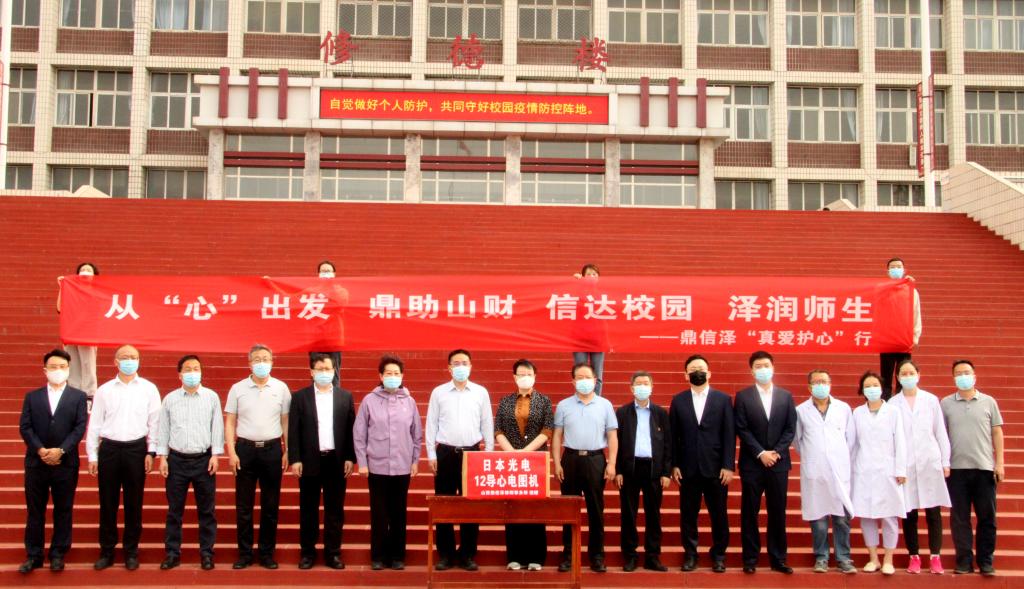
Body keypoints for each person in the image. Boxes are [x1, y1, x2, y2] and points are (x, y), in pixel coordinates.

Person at [86, 344, 161, 571]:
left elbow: (155, 423)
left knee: (133, 502)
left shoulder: (149, 389)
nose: (130, 360)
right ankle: (107, 551)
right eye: (125, 357)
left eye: (134, 356)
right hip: (109, 449)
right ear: (116, 362)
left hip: (136, 449)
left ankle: (131, 551)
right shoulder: (104, 390)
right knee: (107, 502)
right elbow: (95, 424)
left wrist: (151, 451)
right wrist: (92, 455)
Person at [18, 349, 88, 573]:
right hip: (36, 463)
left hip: (65, 464)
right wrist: (40, 450)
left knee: (63, 509)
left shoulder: (78, 397)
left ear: (68, 369)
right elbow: (25, 427)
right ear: (45, 370)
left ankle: (58, 553)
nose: (58, 370)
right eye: (53, 367)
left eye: (62, 367)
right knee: (35, 510)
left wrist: (61, 450)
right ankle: (34, 555)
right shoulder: (33, 397)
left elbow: (79, 427)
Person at [425, 349, 494, 571]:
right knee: (443, 504)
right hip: (445, 453)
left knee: (470, 506)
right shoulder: (439, 392)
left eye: (465, 362)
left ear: (471, 366)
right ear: (449, 367)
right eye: (456, 363)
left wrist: (488, 453)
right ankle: (445, 554)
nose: (461, 367)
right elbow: (431, 423)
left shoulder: (480, 392)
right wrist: (431, 453)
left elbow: (487, 423)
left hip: (472, 454)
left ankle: (467, 554)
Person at [224, 344, 291, 570]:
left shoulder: (281, 388)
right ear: (249, 363)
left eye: (265, 359)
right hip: (245, 450)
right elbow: (230, 421)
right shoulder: (238, 388)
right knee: (244, 506)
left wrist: (288, 450)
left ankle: (266, 553)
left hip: (272, 450)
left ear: (272, 362)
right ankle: (244, 554)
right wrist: (231, 452)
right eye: (257, 359)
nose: (262, 363)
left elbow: (285, 421)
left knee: (270, 505)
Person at [353, 354, 423, 571]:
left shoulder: (409, 402)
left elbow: (416, 434)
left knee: (399, 513)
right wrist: (362, 462)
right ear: (381, 376)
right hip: (377, 466)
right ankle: (378, 556)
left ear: (402, 376)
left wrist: (415, 460)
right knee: (379, 513)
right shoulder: (369, 401)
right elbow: (359, 434)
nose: (393, 376)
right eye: (388, 373)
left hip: (402, 466)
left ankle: (397, 556)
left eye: (396, 373)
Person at [288, 353, 356, 570]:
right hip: (309, 460)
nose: (324, 373)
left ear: (334, 371)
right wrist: (295, 458)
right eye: (320, 369)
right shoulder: (300, 397)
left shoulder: (345, 397)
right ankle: (307, 553)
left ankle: (333, 553)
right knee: (308, 509)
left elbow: (350, 430)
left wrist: (350, 457)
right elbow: (293, 430)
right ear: (312, 372)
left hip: (336, 460)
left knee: (334, 510)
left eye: (328, 369)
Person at [156, 355, 224, 571]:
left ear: (201, 372)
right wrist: (163, 457)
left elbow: (217, 427)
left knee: (207, 511)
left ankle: (207, 553)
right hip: (176, 460)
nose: (192, 373)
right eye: (188, 369)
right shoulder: (170, 399)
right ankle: (172, 553)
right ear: (180, 374)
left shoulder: (211, 397)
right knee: (174, 511)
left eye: (196, 368)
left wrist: (215, 455)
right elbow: (163, 429)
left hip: (203, 460)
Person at [733, 350, 797, 574]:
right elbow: (741, 428)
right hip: (752, 463)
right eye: (758, 366)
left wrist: (776, 452)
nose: (763, 369)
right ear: (752, 371)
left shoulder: (786, 396)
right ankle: (750, 558)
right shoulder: (743, 396)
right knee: (749, 511)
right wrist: (760, 453)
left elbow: (790, 428)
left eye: (766, 365)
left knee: (777, 511)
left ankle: (778, 558)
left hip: (779, 464)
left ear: (773, 368)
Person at [669, 354, 734, 573]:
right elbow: (673, 436)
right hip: (688, 469)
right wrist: (674, 465)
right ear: (685, 375)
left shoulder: (723, 399)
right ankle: (690, 554)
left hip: (716, 469)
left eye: (701, 368)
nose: (698, 371)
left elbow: (729, 434)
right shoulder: (678, 400)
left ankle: (719, 555)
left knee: (719, 514)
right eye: (693, 369)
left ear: (709, 373)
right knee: (688, 514)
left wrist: (728, 465)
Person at [552, 362, 618, 573]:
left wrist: (612, 463)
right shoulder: (564, 405)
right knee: (568, 510)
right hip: (570, 459)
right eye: (579, 378)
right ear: (573, 381)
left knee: (596, 511)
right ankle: (569, 555)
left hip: (595, 460)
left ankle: (597, 556)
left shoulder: (605, 405)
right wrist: (557, 462)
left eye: (587, 377)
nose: (583, 381)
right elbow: (557, 436)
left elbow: (612, 435)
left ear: (595, 380)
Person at [941, 359, 1005, 576]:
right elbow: (940, 435)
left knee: (987, 517)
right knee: (960, 519)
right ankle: (964, 561)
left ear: (974, 375)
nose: (963, 376)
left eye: (966, 372)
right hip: (956, 469)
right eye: (958, 373)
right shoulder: (946, 404)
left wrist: (999, 463)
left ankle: (986, 561)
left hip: (984, 468)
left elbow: (997, 432)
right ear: (953, 378)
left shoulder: (988, 402)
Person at [889, 359, 951, 574]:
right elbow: (892, 439)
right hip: (906, 465)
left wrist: (945, 461)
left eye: (911, 373)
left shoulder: (931, 400)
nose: (907, 377)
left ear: (918, 374)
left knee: (933, 512)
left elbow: (940, 432)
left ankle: (935, 557)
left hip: (929, 461)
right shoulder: (893, 404)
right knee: (910, 514)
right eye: (903, 374)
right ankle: (913, 556)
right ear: (898, 378)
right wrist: (897, 467)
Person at [794, 369, 857, 574]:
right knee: (818, 518)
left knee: (841, 518)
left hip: (839, 469)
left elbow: (851, 439)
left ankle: (843, 558)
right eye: (816, 382)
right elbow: (797, 440)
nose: (821, 385)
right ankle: (821, 557)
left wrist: (837, 456)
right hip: (815, 470)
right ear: (809, 387)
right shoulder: (801, 411)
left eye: (824, 381)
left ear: (830, 384)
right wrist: (815, 455)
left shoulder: (843, 408)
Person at [495, 359, 554, 572]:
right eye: (521, 374)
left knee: (535, 507)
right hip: (511, 462)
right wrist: (512, 453)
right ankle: (515, 556)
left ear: (535, 376)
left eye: (528, 374)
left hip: (535, 461)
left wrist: (526, 452)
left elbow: (547, 430)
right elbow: (498, 430)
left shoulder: (544, 401)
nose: (525, 377)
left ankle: (536, 556)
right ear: (514, 377)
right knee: (513, 507)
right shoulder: (505, 401)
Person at [850, 371, 907, 575]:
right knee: (866, 516)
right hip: (863, 470)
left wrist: (900, 469)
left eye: (875, 385)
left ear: (882, 388)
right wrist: (850, 470)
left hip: (887, 470)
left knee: (889, 516)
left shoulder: (893, 412)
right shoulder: (857, 413)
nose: (872, 389)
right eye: (867, 386)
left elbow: (900, 441)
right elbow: (853, 444)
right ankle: (873, 558)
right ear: (862, 390)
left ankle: (888, 559)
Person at [614, 370, 670, 572]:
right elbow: (616, 443)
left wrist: (666, 472)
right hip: (630, 469)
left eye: (646, 383)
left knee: (653, 515)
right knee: (628, 514)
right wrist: (618, 470)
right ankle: (630, 556)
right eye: (638, 383)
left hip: (654, 470)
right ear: (631, 388)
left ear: (652, 387)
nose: (642, 387)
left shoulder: (661, 413)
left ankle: (652, 556)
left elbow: (668, 444)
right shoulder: (622, 412)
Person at [56, 262, 100, 401]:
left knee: (87, 362)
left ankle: (89, 394)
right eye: (82, 269)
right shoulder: (72, 289)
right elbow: (60, 308)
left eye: (89, 269)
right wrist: (63, 287)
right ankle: (73, 390)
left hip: (88, 332)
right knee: (73, 361)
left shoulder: (99, 290)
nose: (85, 271)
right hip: (71, 330)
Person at [879, 257, 922, 396]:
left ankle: (901, 398)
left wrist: (915, 336)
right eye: (892, 267)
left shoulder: (911, 291)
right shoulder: (882, 289)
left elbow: (916, 313)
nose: (895, 269)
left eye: (898, 266)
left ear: (904, 270)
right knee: (886, 374)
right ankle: (885, 399)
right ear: (888, 271)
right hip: (887, 338)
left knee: (903, 372)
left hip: (904, 337)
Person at [571, 263, 607, 395]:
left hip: (598, 339)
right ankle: (579, 399)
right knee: (580, 372)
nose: (591, 277)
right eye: (588, 274)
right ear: (583, 276)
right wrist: (576, 283)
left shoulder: (603, 295)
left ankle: (596, 401)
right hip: (579, 338)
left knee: (597, 374)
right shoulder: (577, 291)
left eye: (594, 274)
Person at [309, 260, 343, 386]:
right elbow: (292, 297)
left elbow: (342, 303)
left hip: (334, 337)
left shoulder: (341, 290)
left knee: (333, 372)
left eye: (328, 271)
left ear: (334, 274)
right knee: (316, 371)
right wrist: (271, 283)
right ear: (318, 274)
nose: (326, 273)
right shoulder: (311, 291)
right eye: (323, 271)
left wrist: (331, 287)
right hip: (316, 337)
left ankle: (335, 396)